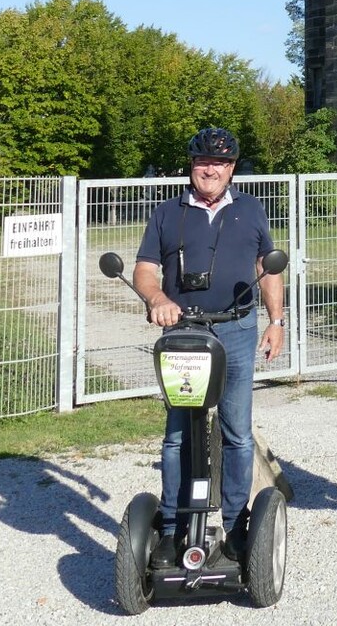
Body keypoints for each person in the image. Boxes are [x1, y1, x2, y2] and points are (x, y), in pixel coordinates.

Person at [132, 126, 286, 566]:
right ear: (192, 166)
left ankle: (237, 525)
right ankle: (170, 527)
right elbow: (145, 268)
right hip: (184, 335)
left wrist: (275, 321)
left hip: (236, 331)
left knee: (236, 432)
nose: (210, 170)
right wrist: (157, 298)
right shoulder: (167, 212)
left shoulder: (252, 210)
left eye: (219, 164)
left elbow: (268, 267)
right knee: (178, 434)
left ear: (231, 169)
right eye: (203, 163)